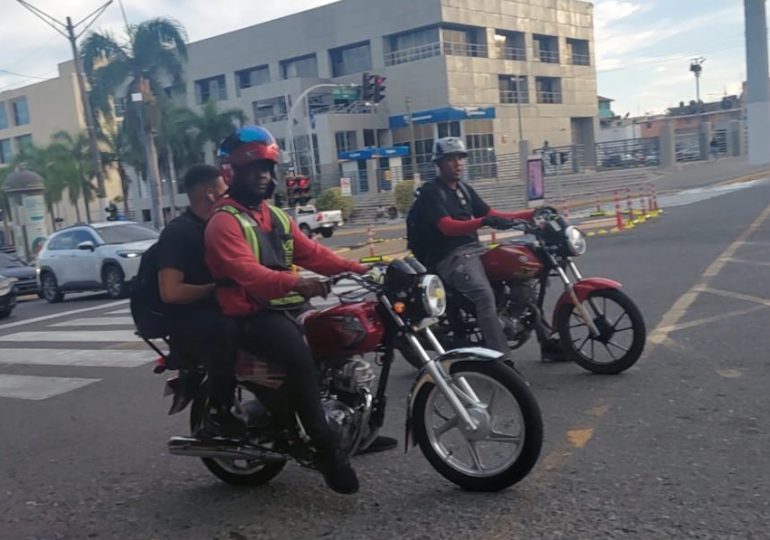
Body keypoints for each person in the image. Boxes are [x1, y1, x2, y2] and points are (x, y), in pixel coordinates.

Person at [204, 126, 386, 495]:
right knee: (300, 358)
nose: (263, 175)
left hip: (286, 305)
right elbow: (248, 274)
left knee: (341, 336)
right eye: (253, 168)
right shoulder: (223, 221)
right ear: (232, 172)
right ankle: (326, 450)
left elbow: (314, 254)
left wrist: (363, 269)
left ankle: (357, 427)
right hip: (251, 315)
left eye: (267, 168)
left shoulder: (275, 216)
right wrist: (296, 283)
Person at [411, 137, 556, 361]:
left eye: (460, 158)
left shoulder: (464, 189)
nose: (458, 163)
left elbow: (493, 214)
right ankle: (501, 359)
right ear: (439, 163)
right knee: (483, 294)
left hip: (475, 249)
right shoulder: (432, 192)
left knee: (524, 277)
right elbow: (447, 226)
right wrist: (482, 222)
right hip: (450, 257)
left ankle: (548, 342)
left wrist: (532, 214)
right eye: (451, 159)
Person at [154, 164, 241, 435]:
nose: (229, 196)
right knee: (227, 330)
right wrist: (213, 289)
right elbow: (171, 292)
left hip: (224, 305)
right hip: (190, 318)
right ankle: (218, 411)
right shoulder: (178, 233)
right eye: (224, 190)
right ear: (211, 193)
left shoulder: (220, 225)